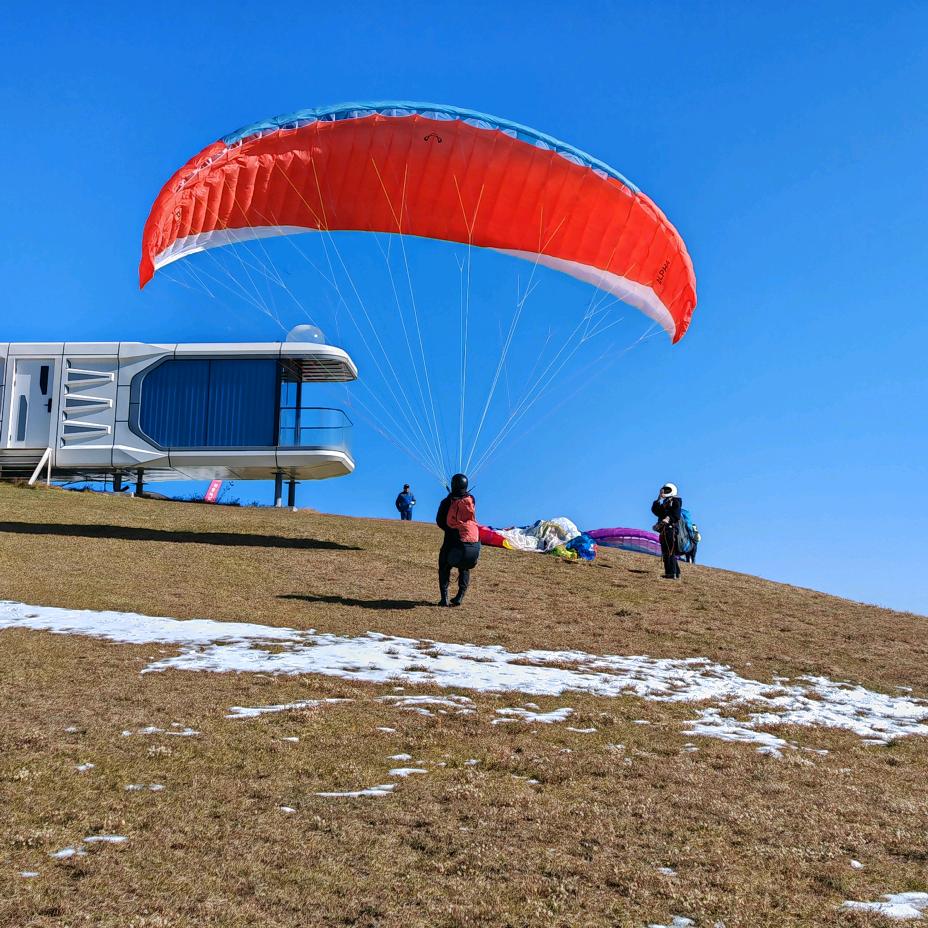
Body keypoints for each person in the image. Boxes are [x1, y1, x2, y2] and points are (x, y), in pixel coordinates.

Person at [435, 473, 481, 607]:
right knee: (464, 567)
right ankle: (460, 596)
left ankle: (444, 598)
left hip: (453, 538)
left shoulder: (446, 502)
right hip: (472, 538)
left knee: (444, 565)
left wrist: (449, 529)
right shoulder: (471, 499)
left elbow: (439, 521)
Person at [651, 482, 682, 580]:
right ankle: (676, 573)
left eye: (667, 490)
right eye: (664, 490)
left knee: (669, 552)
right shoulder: (665, 502)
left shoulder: (675, 501)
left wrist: (668, 519)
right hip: (664, 530)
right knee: (667, 551)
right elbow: (656, 511)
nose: (665, 492)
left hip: (670, 530)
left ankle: (671, 574)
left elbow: (676, 515)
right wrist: (658, 498)